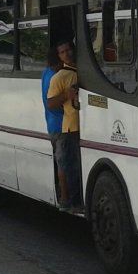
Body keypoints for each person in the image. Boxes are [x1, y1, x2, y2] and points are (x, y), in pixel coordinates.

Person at [47, 41, 82, 213]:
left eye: (68, 50)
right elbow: (51, 103)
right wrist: (65, 95)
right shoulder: (59, 77)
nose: (66, 53)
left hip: (92, 127)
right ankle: (75, 202)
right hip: (71, 128)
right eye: (62, 52)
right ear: (59, 57)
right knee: (73, 167)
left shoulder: (87, 70)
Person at [41, 47, 66, 208]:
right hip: (60, 126)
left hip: (52, 125)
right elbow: (52, 103)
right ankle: (64, 198)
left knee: (61, 162)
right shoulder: (55, 78)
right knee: (63, 163)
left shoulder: (45, 73)